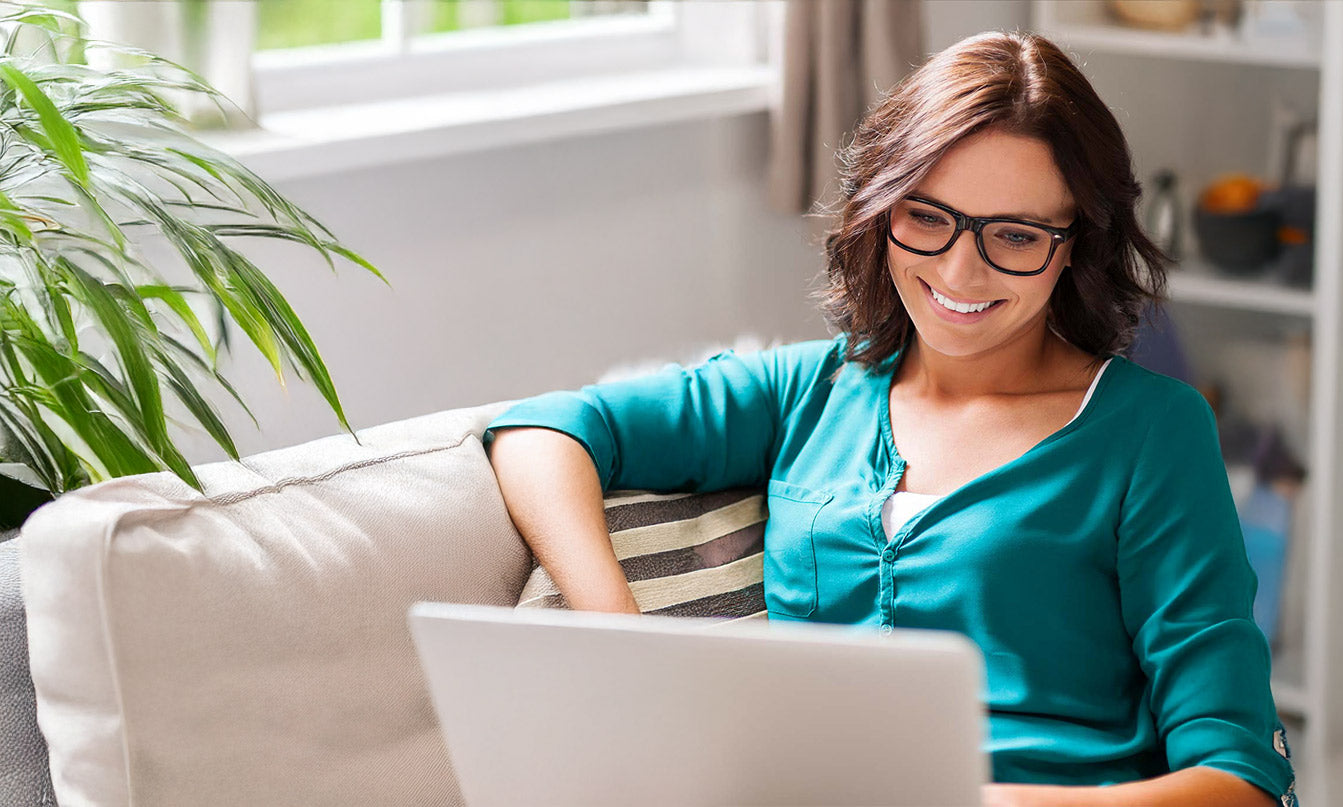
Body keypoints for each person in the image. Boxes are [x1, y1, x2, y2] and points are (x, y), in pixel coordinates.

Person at [484, 30, 1297, 807]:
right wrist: (624, 645)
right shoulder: (807, 389)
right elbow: (544, 432)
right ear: (882, 208)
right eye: (928, 216)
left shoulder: (1151, 431)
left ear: (1076, 245)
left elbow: (1237, 777)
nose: (958, 268)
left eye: (1014, 235)